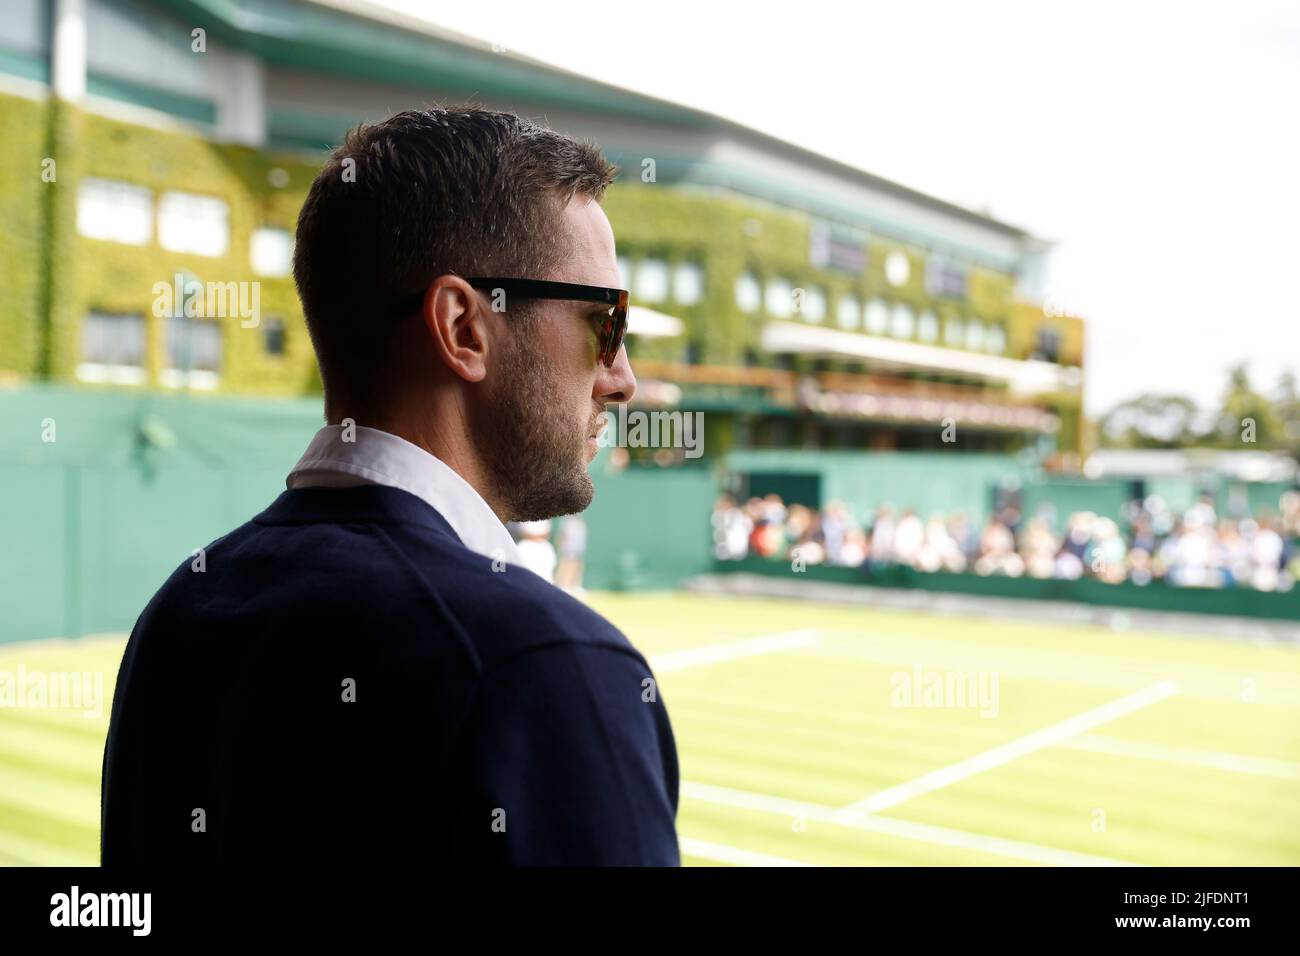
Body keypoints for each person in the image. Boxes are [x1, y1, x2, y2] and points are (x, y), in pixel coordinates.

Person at [100, 107, 680, 866]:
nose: (624, 379)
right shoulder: (544, 664)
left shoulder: (178, 618)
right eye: (604, 323)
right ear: (464, 328)